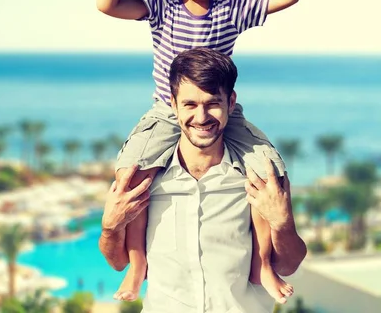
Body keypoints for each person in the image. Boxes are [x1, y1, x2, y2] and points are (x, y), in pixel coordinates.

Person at [96, 0, 300, 302]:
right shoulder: (161, 4)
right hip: (164, 111)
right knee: (131, 175)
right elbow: (106, 4)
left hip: (220, 112)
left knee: (265, 172)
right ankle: (139, 265)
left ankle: (261, 264)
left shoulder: (233, 7)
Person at [98, 48, 307, 313]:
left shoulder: (259, 181)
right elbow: (117, 262)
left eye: (212, 104)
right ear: (172, 104)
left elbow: (289, 265)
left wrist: (282, 223)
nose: (201, 117)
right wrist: (109, 228)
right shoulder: (143, 178)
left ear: (231, 103)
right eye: (190, 105)